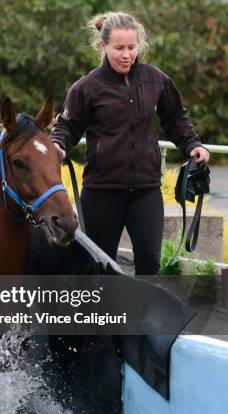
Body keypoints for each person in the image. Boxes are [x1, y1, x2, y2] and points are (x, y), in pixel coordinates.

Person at [51, 11, 210, 275]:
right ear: (103, 46)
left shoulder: (155, 79)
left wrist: (193, 144)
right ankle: (102, 317)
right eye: (119, 48)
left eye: (132, 47)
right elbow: (66, 127)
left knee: (149, 266)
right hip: (101, 192)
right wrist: (57, 145)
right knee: (101, 269)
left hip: (146, 192)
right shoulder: (86, 87)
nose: (127, 54)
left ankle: (143, 318)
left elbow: (175, 118)